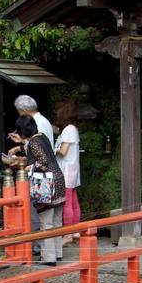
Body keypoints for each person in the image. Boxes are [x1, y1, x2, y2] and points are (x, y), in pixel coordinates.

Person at [7, 115, 64, 264]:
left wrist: (27, 168)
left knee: (46, 223)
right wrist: (19, 146)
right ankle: (57, 253)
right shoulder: (42, 136)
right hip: (59, 180)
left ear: (22, 131)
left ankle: (49, 258)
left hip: (47, 185)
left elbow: (42, 162)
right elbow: (37, 150)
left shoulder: (33, 142)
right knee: (56, 221)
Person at [54, 100, 81, 242]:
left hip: (66, 169)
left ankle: (68, 233)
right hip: (72, 168)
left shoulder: (68, 129)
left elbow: (63, 151)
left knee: (67, 202)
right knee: (74, 201)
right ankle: (75, 230)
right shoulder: (72, 128)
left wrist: (53, 149)